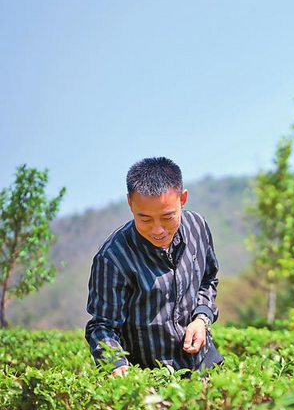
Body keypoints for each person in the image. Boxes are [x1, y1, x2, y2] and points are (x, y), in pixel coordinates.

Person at [85, 157, 223, 375]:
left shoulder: (198, 227)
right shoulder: (112, 258)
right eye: (146, 219)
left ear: (183, 199)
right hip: (151, 377)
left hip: (204, 364)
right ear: (130, 203)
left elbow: (208, 280)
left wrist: (201, 319)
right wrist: (116, 365)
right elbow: (102, 327)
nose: (158, 230)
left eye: (168, 217)